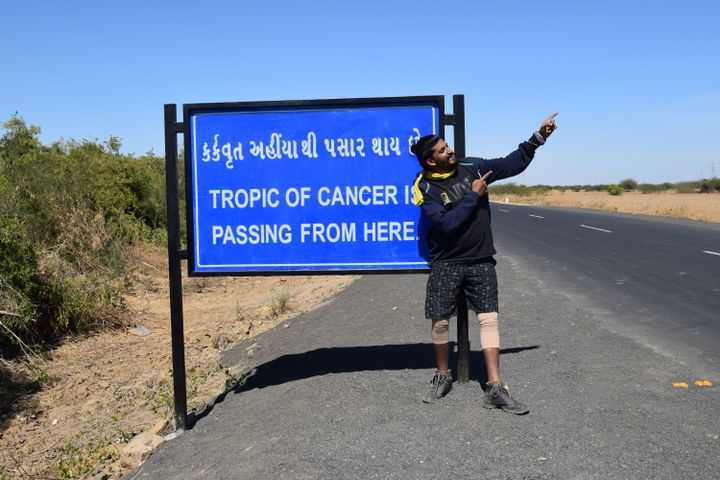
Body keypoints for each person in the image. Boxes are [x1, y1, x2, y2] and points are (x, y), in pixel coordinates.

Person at [411, 113, 558, 414]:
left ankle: (494, 387)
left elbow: (511, 163)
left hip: (481, 259)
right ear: (430, 161)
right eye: (442, 150)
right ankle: (442, 375)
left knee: (489, 319)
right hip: (446, 263)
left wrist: (539, 138)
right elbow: (445, 225)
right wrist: (472, 196)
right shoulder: (425, 190)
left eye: (447, 146)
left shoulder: (472, 167)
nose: (450, 151)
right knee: (439, 320)